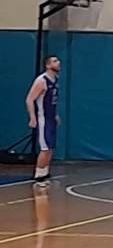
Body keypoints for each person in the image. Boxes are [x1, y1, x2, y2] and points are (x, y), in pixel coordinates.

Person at [25, 55, 61, 187]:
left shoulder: (55, 80)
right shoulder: (41, 80)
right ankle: (39, 176)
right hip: (43, 119)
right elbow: (29, 99)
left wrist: (56, 115)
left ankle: (45, 173)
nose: (58, 63)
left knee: (50, 147)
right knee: (45, 148)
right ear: (48, 65)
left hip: (51, 118)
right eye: (55, 61)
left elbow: (52, 101)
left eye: (58, 60)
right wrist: (32, 117)